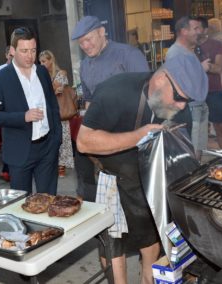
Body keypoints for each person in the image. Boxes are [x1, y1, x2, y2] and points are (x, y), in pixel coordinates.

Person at [77, 53, 207, 284]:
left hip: (144, 180)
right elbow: (84, 142)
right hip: (106, 176)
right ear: (160, 79)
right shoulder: (116, 91)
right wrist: (138, 136)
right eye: (178, 97)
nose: (181, 106)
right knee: (114, 249)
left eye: (185, 101)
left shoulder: (180, 106)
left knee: (151, 243)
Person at [71, 16, 150, 201]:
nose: (85, 45)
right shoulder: (84, 65)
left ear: (102, 32)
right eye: (81, 43)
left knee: (133, 194)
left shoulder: (128, 55)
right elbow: (89, 102)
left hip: (129, 136)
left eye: (88, 39)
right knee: (89, 181)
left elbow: (147, 97)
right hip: (101, 136)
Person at [0, 27, 62, 195]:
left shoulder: (42, 72)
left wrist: (56, 139)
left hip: (47, 149)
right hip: (20, 152)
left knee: (48, 200)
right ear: (12, 50)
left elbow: (53, 105)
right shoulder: (1, 78)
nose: (30, 56)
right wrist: (24, 117)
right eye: (24, 51)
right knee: (22, 205)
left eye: (33, 50)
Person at [165, 16, 210, 160]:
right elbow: (180, 85)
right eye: (195, 29)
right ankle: (193, 181)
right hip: (190, 109)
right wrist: (200, 69)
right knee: (192, 152)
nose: (199, 32)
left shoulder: (188, 51)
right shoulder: (175, 53)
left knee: (199, 149)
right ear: (184, 31)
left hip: (199, 106)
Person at [39, 49, 74, 177]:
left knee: (63, 138)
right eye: (40, 62)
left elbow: (52, 89)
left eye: (44, 61)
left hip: (61, 112)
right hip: (47, 112)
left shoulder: (61, 73)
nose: (42, 64)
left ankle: (61, 166)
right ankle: (53, 165)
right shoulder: (43, 75)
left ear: (51, 60)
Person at [197, 17, 222, 150]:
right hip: (196, 93)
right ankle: (197, 163)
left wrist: (202, 67)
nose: (195, 31)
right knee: (197, 129)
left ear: (205, 30)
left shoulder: (216, 44)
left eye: (197, 28)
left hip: (214, 91)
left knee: (220, 126)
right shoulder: (188, 47)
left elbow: (218, 68)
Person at [0, 45, 15, 182]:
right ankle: (6, 170)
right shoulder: (0, 70)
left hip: (17, 112)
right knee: (7, 142)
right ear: (6, 55)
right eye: (10, 55)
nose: (12, 58)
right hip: (6, 113)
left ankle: (9, 169)